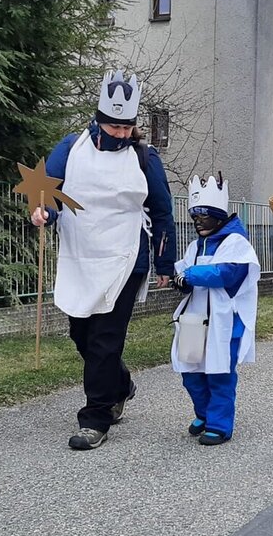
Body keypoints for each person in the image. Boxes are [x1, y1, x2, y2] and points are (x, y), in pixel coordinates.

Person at [30, 69, 176, 450]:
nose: (123, 134)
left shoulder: (145, 158)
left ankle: (96, 417)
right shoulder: (70, 148)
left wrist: (164, 264)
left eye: (128, 127)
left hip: (126, 257)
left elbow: (162, 210)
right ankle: (121, 384)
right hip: (81, 256)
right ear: (98, 120)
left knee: (105, 339)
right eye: (115, 127)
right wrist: (44, 211)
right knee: (82, 333)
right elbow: (49, 192)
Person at [169, 174, 260, 446]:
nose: (198, 222)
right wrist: (181, 282)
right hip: (195, 320)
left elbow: (227, 274)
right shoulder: (195, 246)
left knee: (219, 373)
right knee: (191, 371)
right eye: (194, 216)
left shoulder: (236, 243)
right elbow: (183, 274)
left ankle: (219, 424)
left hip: (224, 322)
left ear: (218, 216)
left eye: (204, 216)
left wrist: (190, 275)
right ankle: (205, 413)